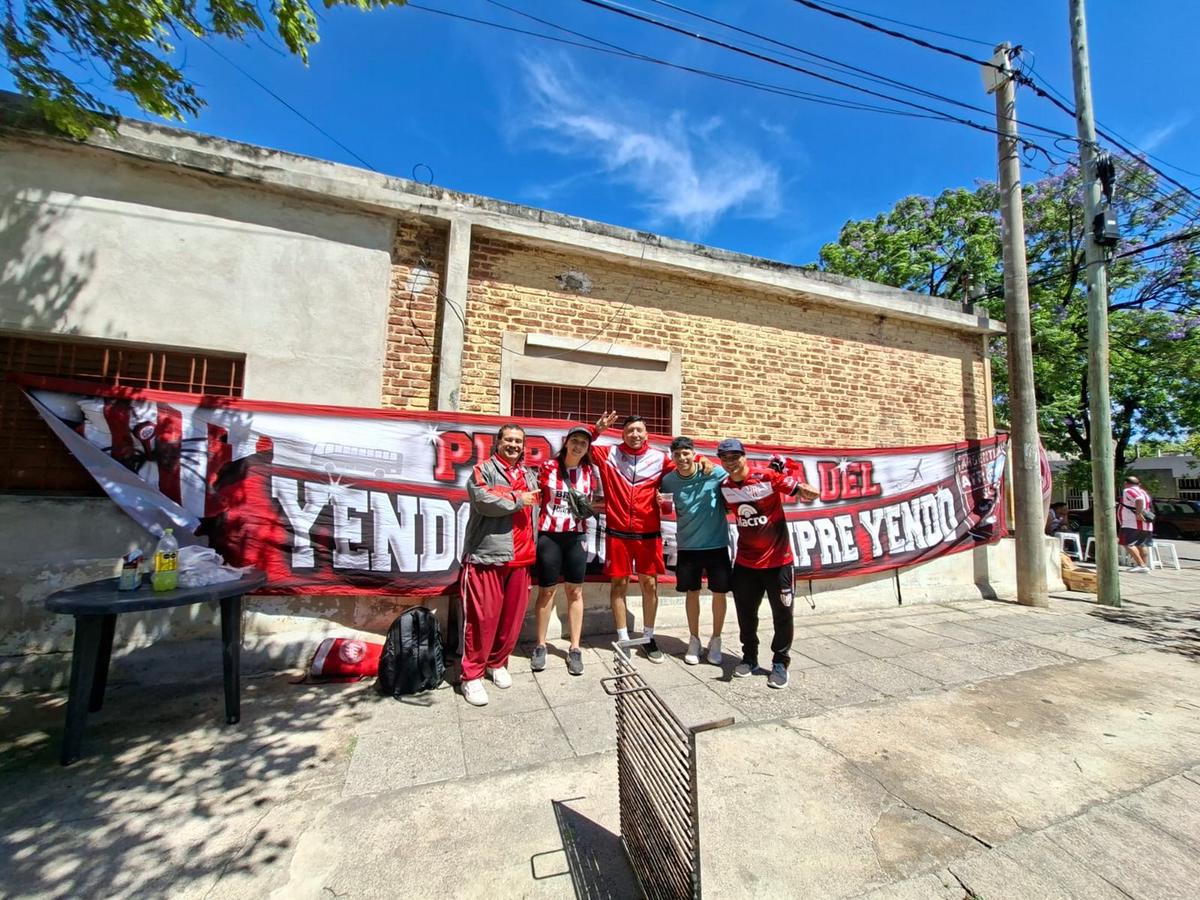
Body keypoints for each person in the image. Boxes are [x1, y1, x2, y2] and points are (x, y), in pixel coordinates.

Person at [589, 412, 711, 662]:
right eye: (630, 430)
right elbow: (579, 448)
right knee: (619, 586)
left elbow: (685, 461)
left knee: (650, 585)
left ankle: (647, 637)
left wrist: (704, 458)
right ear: (622, 433)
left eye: (639, 430)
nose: (635, 434)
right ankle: (623, 638)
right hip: (617, 533)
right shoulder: (609, 454)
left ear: (647, 434)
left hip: (648, 534)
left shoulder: (660, 457)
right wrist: (596, 430)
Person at [717, 439, 819, 690]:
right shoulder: (724, 486)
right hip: (745, 563)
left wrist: (807, 489)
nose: (731, 462)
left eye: (735, 456)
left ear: (744, 455)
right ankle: (749, 658)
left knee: (782, 614)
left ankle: (780, 663)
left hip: (779, 561)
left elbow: (805, 491)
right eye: (725, 458)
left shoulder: (767, 476)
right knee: (746, 615)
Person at [457, 423, 540, 707]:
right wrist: (518, 498)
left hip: (522, 557)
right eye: (508, 440)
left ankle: (497, 663)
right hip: (488, 557)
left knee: (511, 619)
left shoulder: (529, 473)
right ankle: (471, 675)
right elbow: (482, 500)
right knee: (482, 620)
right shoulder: (484, 469)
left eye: (518, 440)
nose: (514, 445)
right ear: (498, 442)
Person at [530, 425, 601, 677]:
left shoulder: (590, 472)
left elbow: (598, 501)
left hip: (577, 536)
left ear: (588, 448)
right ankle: (540, 645)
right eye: (575, 440)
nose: (579, 445)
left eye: (584, 442)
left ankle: (575, 647)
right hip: (550, 536)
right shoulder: (548, 467)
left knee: (575, 590)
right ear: (566, 442)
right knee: (547, 591)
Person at [660, 436, 729, 665]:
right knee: (692, 594)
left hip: (717, 544)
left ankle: (716, 639)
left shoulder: (714, 472)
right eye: (677, 454)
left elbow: (735, 485)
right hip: (688, 546)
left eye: (686, 453)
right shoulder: (669, 481)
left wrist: (706, 460)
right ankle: (694, 639)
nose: (682, 458)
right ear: (672, 457)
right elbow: (660, 499)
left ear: (693, 453)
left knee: (719, 593)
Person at [1118, 475, 1154, 573]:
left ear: (1126, 483)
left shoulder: (1128, 490)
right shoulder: (1144, 492)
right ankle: (1144, 566)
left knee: (1127, 544)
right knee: (1141, 544)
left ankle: (1141, 565)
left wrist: (1138, 514)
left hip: (1132, 523)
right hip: (1145, 524)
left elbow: (1138, 499)